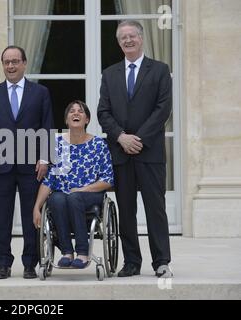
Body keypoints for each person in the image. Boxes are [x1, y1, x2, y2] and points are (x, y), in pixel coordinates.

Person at [97, 20, 173, 278]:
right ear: (118, 43)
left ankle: (161, 261)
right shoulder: (110, 74)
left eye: (132, 36)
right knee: (126, 210)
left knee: (155, 208)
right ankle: (131, 262)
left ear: (141, 39)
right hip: (120, 152)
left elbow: (163, 109)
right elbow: (103, 112)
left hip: (149, 152)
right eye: (123, 37)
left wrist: (137, 138)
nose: (128, 40)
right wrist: (120, 137)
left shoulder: (160, 70)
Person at [0, 45, 54, 279]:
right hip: (2, 164)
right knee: (2, 216)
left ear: (24, 63)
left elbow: (47, 126)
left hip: (32, 166)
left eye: (15, 61)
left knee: (33, 215)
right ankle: (3, 263)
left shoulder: (40, 92)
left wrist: (45, 158)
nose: (10, 66)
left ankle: (30, 263)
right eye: (6, 62)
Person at [33, 101, 114, 268]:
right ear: (66, 120)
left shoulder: (98, 145)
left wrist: (83, 189)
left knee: (74, 197)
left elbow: (107, 180)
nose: (76, 113)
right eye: (71, 111)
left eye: (80, 111)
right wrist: (37, 207)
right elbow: (49, 180)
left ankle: (83, 253)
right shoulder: (58, 145)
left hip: (90, 194)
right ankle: (67, 252)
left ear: (87, 120)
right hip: (64, 196)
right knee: (56, 199)